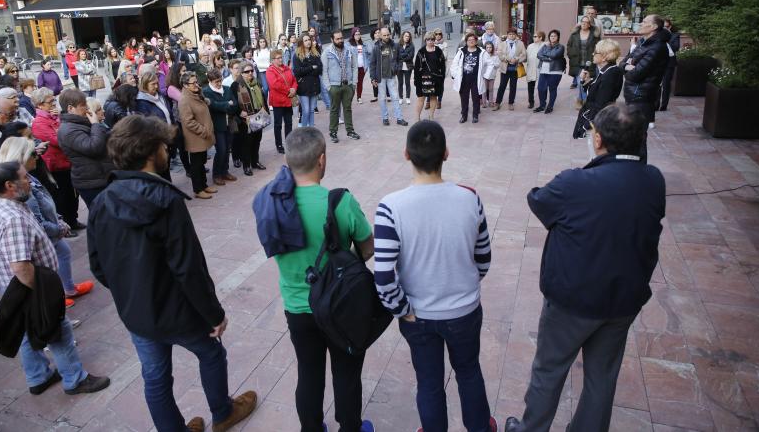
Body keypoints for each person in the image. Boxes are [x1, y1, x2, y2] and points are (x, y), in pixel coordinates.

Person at [87, 116, 256, 432]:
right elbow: (189, 268)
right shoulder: (166, 201)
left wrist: (131, 291)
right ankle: (223, 413)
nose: (168, 150)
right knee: (210, 353)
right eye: (164, 146)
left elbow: (99, 265)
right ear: (152, 152)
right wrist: (214, 314)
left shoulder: (101, 202)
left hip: (138, 313)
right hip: (178, 312)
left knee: (155, 376)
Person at [504, 104, 665, 432]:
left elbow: (538, 200)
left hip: (572, 300)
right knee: (601, 376)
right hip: (624, 299)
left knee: (549, 370)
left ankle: (531, 428)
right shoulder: (653, 180)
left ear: (598, 139)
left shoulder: (576, 183)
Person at [374, 120, 496, 432]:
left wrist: (404, 311)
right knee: (469, 372)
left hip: (419, 316)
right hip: (465, 310)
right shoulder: (469, 197)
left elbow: (384, 277)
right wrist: (462, 286)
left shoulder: (390, 207)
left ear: (406, 154)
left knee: (429, 383)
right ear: (446, 154)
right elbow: (483, 259)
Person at [268, 127, 375, 432]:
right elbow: (367, 250)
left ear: (288, 162)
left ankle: (312, 428)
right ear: (322, 160)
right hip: (339, 305)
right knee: (346, 371)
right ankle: (350, 427)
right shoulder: (339, 202)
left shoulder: (273, 202)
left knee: (309, 371)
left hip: (297, 307)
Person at [0, 161, 110, 395]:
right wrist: (44, 295)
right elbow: (21, 266)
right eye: (24, 178)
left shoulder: (2, 205)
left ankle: (38, 377)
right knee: (59, 331)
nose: (30, 181)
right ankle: (75, 379)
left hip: (16, 286)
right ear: (10, 185)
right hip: (28, 287)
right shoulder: (12, 218)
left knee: (27, 333)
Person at [0, 137, 94, 307]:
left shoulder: (28, 179)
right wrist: (58, 228)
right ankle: (58, 297)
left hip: (51, 234)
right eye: (33, 153)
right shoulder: (21, 193)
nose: (38, 155)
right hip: (46, 241)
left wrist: (59, 221)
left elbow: (46, 206)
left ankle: (67, 289)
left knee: (62, 253)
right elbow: (37, 224)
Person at [31, 87, 85, 232]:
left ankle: (73, 220)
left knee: (72, 195)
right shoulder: (39, 122)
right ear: (40, 105)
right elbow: (59, 140)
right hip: (55, 166)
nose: (54, 104)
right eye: (50, 102)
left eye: (54, 101)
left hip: (67, 163)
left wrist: (60, 119)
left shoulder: (56, 118)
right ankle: (66, 225)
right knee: (61, 198)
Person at [619, 14, 670, 163]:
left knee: (638, 137)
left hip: (641, 96)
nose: (641, 23)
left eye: (645, 22)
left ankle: (640, 173)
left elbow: (636, 74)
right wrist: (627, 66)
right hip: (633, 95)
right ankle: (633, 170)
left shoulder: (658, 47)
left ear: (654, 27)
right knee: (631, 136)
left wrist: (629, 67)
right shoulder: (643, 42)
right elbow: (623, 63)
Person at [56, 88, 115, 208]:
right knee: (103, 218)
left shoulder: (79, 122)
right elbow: (94, 147)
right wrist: (95, 124)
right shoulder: (68, 130)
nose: (87, 109)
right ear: (70, 108)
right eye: (83, 106)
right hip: (92, 182)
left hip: (101, 177)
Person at [573, 39, 624, 156]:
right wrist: (586, 81)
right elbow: (594, 93)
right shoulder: (605, 71)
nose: (593, 54)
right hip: (597, 118)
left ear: (604, 56)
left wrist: (589, 124)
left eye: (596, 52)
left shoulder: (610, 74)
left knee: (596, 154)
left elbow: (602, 102)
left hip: (599, 120)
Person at [178, 72, 218, 199]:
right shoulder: (184, 100)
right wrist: (204, 131)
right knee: (196, 164)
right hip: (196, 138)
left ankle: (204, 185)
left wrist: (200, 94)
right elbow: (188, 121)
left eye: (196, 81)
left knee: (201, 162)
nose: (196, 84)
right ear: (185, 85)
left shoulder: (195, 94)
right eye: (193, 83)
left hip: (202, 137)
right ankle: (198, 189)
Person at [321, 30, 361, 143]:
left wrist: (354, 84)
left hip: (348, 86)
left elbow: (354, 67)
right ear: (332, 40)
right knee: (334, 110)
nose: (340, 40)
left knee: (348, 109)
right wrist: (328, 87)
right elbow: (324, 71)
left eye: (341, 38)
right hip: (334, 86)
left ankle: (350, 131)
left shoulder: (349, 50)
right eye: (337, 39)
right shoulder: (327, 52)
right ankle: (333, 133)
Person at [203, 69, 239, 185]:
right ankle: (216, 174)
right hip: (217, 125)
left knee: (228, 149)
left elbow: (235, 104)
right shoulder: (206, 91)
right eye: (216, 82)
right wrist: (226, 104)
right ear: (209, 81)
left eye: (220, 80)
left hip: (229, 123)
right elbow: (212, 106)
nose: (219, 83)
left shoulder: (227, 89)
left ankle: (225, 171)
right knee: (221, 150)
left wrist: (224, 106)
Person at [231, 62, 266, 176]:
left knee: (257, 140)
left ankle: (255, 162)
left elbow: (263, 97)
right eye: (247, 71)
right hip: (245, 119)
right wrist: (239, 112)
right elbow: (233, 103)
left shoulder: (257, 82)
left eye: (251, 71)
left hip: (258, 116)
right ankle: (246, 166)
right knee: (246, 143)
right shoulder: (236, 85)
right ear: (241, 73)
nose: (250, 73)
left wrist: (264, 109)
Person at [370, 27, 408, 127]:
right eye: (384, 35)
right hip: (380, 77)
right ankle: (385, 118)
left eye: (388, 35)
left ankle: (399, 118)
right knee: (382, 98)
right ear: (380, 35)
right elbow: (372, 64)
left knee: (395, 97)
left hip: (391, 76)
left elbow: (400, 58)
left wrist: (398, 68)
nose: (386, 37)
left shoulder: (395, 46)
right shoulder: (376, 47)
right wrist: (372, 77)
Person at [450, 32, 487, 123]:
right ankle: (464, 115)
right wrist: (455, 75)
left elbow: (487, 64)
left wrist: (484, 74)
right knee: (464, 98)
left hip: (475, 79)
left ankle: (475, 115)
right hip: (464, 79)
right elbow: (454, 64)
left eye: (473, 40)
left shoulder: (481, 52)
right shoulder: (462, 51)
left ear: (476, 41)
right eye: (469, 40)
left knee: (476, 98)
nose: (471, 41)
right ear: (466, 41)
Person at [267, 49, 298, 153]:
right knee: (278, 124)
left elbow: (294, 80)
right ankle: (279, 144)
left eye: (281, 57)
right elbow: (274, 85)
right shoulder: (270, 71)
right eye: (278, 58)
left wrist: (294, 89)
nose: (281, 59)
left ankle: (289, 142)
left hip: (288, 100)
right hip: (278, 101)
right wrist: (289, 90)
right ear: (273, 60)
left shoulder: (286, 68)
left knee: (289, 123)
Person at [413, 32, 446, 121]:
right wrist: (416, 80)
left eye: (432, 39)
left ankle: (431, 116)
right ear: (425, 40)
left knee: (433, 97)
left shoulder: (438, 50)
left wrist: (442, 77)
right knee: (421, 98)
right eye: (428, 40)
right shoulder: (421, 52)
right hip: (422, 79)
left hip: (435, 79)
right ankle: (417, 117)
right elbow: (416, 67)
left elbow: (443, 65)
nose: (430, 41)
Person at [566, 16, 598, 106]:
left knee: (585, 83)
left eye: (586, 22)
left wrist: (595, 55)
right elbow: (568, 46)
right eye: (582, 21)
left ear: (589, 25)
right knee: (581, 83)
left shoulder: (594, 35)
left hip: (589, 63)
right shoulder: (574, 34)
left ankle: (580, 100)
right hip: (576, 63)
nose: (584, 23)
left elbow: (599, 47)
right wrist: (571, 55)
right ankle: (585, 102)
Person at [293, 35, 322, 128]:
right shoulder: (297, 55)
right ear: (301, 42)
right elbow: (297, 71)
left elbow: (320, 69)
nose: (308, 42)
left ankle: (311, 129)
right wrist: (311, 67)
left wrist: (307, 70)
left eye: (309, 39)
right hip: (303, 87)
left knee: (312, 110)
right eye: (305, 40)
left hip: (314, 85)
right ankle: (304, 130)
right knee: (305, 110)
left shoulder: (315, 53)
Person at [494, 28, 527, 111]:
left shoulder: (520, 44)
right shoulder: (502, 44)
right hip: (505, 68)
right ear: (507, 35)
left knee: (513, 86)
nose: (511, 36)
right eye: (509, 34)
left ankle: (511, 103)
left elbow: (524, 55)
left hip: (515, 68)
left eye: (513, 34)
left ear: (515, 35)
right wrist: (509, 59)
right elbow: (500, 54)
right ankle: (498, 103)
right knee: (502, 86)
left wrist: (516, 59)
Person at [535, 30, 566, 114]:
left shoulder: (561, 47)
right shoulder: (545, 45)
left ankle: (550, 106)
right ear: (549, 37)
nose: (552, 37)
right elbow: (538, 55)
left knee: (552, 89)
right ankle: (542, 105)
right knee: (541, 88)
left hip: (555, 71)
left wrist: (545, 54)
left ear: (558, 37)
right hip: (543, 70)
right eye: (551, 36)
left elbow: (554, 55)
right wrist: (548, 58)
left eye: (554, 36)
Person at [658, 18, 680, 112]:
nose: (665, 28)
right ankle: (655, 104)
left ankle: (664, 105)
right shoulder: (657, 35)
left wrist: (666, 40)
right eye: (663, 27)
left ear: (670, 26)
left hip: (669, 63)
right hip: (658, 62)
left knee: (666, 84)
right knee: (656, 83)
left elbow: (676, 47)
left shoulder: (675, 35)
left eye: (666, 27)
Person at [347, 28, 368, 104]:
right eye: (356, 34)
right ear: (353, 35)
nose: (358, 36)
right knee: (353, 83)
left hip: (362, 67)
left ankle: (359, 97)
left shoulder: (363, 44)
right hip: (353, 68)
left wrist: (366, 66)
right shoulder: (348, 45)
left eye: (359, 34)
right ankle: (350, 97)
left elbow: (366, 56)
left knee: (360, 83)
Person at [525, 31, 544, 110]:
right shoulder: (530, 46)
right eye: (534, 36)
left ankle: (542, 102)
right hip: (530, 68)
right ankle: (531, 102)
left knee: (542, 87)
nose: (534, 38)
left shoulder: (544, 45)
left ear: (541, 38)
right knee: (530, 86)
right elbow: (526, 56)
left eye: (536, 36)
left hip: (541, 69)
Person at [397, 31, 415, 106]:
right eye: (405, 36)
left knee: (407, 83)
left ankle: (408, 97)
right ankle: (400, 98)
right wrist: (405, 55)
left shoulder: (411, 46)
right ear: (402, 36)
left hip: (408, 66)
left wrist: (402, 56)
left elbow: (410, 57)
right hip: (399, 67)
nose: (407, 38)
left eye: (408, 36)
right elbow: (397, 56)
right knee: (400, 83)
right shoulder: (398, 45)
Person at [480, 41, 499, 108]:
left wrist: (492, 63)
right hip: (484, 74)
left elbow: (497, 64)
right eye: (487, 47)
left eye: (490, 47)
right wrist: (491, 63)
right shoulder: (483, 54)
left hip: (492, 75)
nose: (489, 49)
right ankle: (484, 102)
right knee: (484, 89)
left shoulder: (495, 55)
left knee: (491, 89)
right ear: (485, 48)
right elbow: (483, 63)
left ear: (492, 48)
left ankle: (490, 102)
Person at [365, 29, 380, 103]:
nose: (377, 34)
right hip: (373, 64)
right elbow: (369, 51)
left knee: (384, 78)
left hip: (381, 63)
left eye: (378, 33)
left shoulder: (382, 42)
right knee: (374, 79)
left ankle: (387, 95)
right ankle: (375, 96)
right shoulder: (369, 43)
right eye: (375, 33)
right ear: (373, 35)